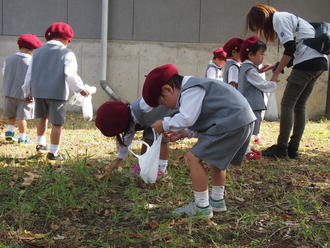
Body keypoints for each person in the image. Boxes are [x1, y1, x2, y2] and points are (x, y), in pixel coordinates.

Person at [142, 64, 256, 218]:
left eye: (163, 102)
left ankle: (201, 206)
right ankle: (217, 200)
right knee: (215, 160)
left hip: (231, 120)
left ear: (168, 89)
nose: (166, 106)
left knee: (192, 158)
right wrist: (186, 132)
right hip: (239, 119)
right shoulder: (195, 87)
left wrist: (164, 124)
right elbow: (205, 116)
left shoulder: (191, 89)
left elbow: (187, 117)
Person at [245, 4, 328, 158]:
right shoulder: (287, 17)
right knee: (299, 105)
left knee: (287, 104)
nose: (260, 29)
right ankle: (293, 148)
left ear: (261, 18)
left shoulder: (278, 19)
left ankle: (282, 148)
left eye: (257, 25)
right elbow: (296, 49)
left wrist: (276, 73)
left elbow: (289, 48)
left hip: (307, 64)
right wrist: (276, 66)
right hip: (319, 62)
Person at [22, 22, 89, 164]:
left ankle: (40, 145)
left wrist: (27, 92)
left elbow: (29, 74)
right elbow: (70, 74)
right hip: (57, 93)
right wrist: (80, 89)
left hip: (38, 92)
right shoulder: (67, 53)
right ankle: (53, 152)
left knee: (42, 118)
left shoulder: (37, 52)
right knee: (57, 123)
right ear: (66, 39)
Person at [95, 99, 177, 180]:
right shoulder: (130, 116)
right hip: (155, 118)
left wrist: (117, 162)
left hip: (170, 111)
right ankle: (143, 166)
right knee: (149, 135)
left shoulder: (143, 107)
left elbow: (126, 139)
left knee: (161, 137)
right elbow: (126, 140)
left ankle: (161, 169)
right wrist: (117, 162)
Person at [238, 36, 278, 147]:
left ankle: (246, 150)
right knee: (248, 129)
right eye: (261, 53)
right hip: (252, 104)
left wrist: (262, 70)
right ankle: (245, 151)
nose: (263, 57)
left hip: (250, 103)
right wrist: (273, 82)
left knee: (248, 128)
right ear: (251, 55)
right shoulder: (249, 70)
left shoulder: (248, 67)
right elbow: (262, 85)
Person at [2, 34, 43, 144]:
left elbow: (4, 73)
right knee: (22, 117)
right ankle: (23, 138)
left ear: (19, 46)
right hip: (24, 95)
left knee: (11, 114)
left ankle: (9, 133)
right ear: (33, 49)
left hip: (8, 92)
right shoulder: (32, 62)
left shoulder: (9, 59)